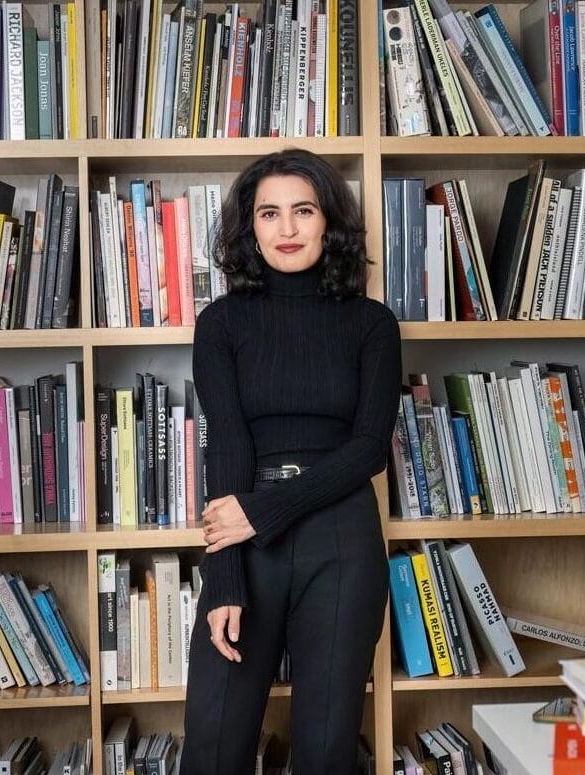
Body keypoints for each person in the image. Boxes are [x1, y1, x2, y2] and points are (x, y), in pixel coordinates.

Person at [182, 149, 401, 774]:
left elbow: (368, 449)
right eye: (269, 213)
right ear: (249, 228)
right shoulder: (221, 323)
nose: (286, 229)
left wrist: (264, 512)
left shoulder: (371, 325)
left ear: (328, 222)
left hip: (341, 538)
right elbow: (227, 442)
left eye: (302, 211)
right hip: (246, 539)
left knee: (327, 750)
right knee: (212, 747)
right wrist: (224, 580)